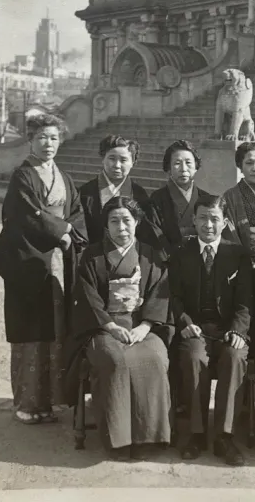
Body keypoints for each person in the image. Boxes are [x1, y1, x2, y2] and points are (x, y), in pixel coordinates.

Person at [0, 113, 88, 425]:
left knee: (55, 329)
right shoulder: (23, 176)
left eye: (54, 137)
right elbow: (25, 215)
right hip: (29, 263)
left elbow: (76, 210)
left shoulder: (63, 175)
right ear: (30, 139)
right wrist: (62, 231)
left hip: (57, 263)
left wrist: (70, 230)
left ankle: (50, 400)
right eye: (42, 137)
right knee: (31, 331)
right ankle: (27, 402)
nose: (48, 143)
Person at [66, 196, 173, 461]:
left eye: (127, 220)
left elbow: (160, 294)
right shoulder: (91, 256)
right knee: (115, 360)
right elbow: (88, 296)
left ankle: (150, 436)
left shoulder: (151, 254)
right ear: (106, 225)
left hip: (142, 326)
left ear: (137, 222)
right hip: (103, 327)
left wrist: (146, 326)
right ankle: (119, 438)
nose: (121, 227)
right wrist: (111, 325)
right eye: (114, 221)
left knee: (154, 359)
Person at [169, 195, 252, 467]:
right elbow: (175, 296)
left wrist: (239, 330)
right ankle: (196, 433)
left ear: (225, 222)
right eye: (202, 218)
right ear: (194, 220)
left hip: (228, 329)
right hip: (196, 329)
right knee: (194, 359)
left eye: (214, 218)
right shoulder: (182, 253)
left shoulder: (237, 254)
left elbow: (245, 301)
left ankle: (224, 436)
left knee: (235, 357)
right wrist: (184, 322)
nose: (208, 224)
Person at [79, 135, 155, 247]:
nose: (117, 165)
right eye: (112, 158)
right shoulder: (86, 192)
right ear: (103, 158)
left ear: (133, 162)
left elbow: (145, 233)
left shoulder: (139, 194)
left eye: (123, 160)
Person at [149, 139, 213, 259]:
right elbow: (155, 235)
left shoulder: (206, 198)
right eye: (177, 163)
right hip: (168, 262)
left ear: (196, 166)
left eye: (188, 163)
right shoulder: (157, 199)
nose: (183, 169)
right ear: (169, 168)